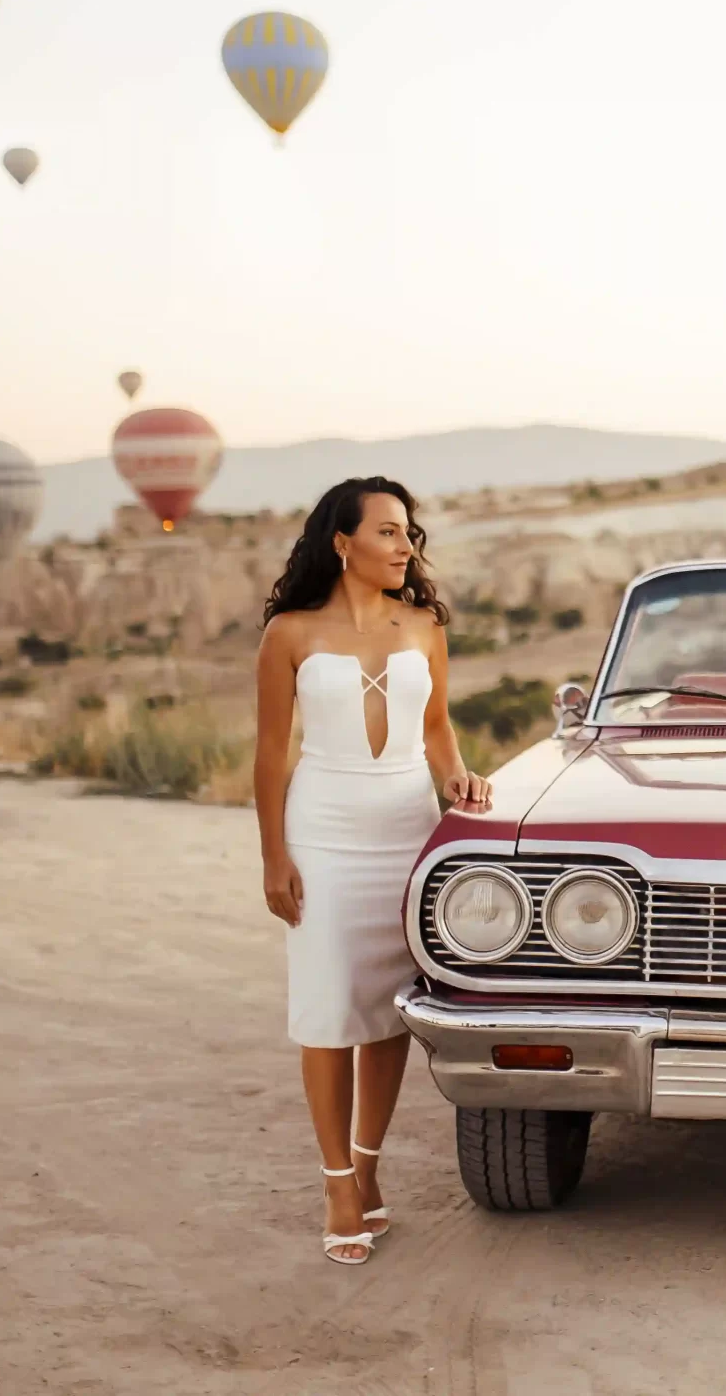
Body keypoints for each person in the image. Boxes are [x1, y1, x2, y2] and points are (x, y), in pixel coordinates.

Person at [255, 477, 492, 1265]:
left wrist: (460, 778)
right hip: (321, 830)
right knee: (328, 1009)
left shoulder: (424, 625)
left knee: (388, 1012)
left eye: (409, 533)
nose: (404, 546)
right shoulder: (288, 633)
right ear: (342, 542)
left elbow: (437, 731)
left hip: (405, 830)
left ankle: (367, 1167)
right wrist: (273, 855)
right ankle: (335, 1183)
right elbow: (268, 754)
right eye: (388, 531)